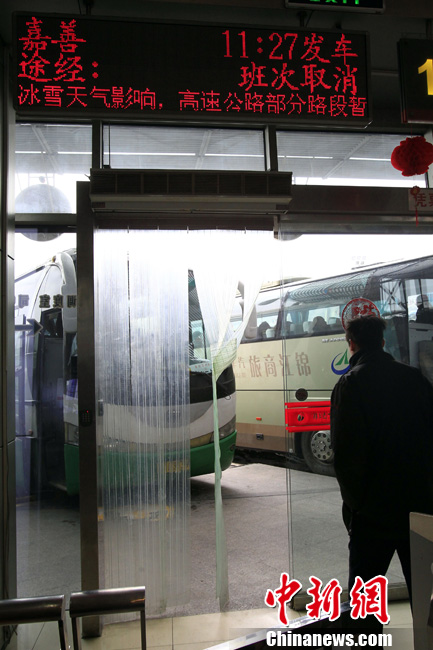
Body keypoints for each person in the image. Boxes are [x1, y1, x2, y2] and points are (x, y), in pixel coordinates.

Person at [330, 315, 433, 621]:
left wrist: (356, 508)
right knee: (424, 592)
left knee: (365, 601)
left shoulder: (351, 383)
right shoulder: (415, 378)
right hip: (420, 506)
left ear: (352, 344)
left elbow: (346, 456)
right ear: (383, 342)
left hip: (373, 513)